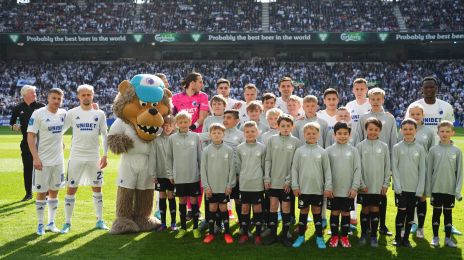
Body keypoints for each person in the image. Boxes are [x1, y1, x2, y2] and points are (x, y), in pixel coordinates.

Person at [407, 76, 460, 236]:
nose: (429, 90)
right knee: (418, 192)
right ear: (422, 89)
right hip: (418, 157)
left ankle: (448, 224)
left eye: (432, 87)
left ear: (437, 88)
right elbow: (407, 127)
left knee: (444, 189)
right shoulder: (414, 106)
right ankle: (416, 223)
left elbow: (449, 128)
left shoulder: (446, 106)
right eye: (426, 87)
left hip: (441, 155)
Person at [60, 84, 109, 233]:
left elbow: (105, 135)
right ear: (78, 96)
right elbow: (60, 130)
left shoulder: (100, 114)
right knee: (71, 189)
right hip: (76, 156)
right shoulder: (72, 113)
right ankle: (67, 223)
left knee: (97, 188)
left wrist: (105, 154)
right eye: (83, 95)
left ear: (92, 95)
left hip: (94, 156)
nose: (86, 97)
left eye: (89, 94)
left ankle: (99, 220)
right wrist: (60, 141)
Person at [353, 87, 397, 236]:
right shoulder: (364, 118)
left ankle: (382, 225)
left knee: (381, 195)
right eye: (373, 99)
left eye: (379, 99)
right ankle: (366, 230)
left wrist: (390, 167)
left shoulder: (390, 118)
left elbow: (393, 142)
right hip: (365, 162)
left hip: (382, 164)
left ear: (383, 100)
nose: (376, 102)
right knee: (365, 197)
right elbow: (358, 137)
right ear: (369, 100)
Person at [27, 88, 67, 235]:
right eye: (54, 98)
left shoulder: (63, 113)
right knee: (41, 193)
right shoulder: (38, 114)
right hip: (42, 161)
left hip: (58, 161)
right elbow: (30, 136)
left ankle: (51, 223)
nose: (56, 101)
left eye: (59, 99)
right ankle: (40, 224)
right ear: (48, 98)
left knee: (54, 192)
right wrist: (35, 157)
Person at [291, 122, 332, 249]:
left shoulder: (323, 152)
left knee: (317, 212)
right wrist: (295, 186)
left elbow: (327, 171)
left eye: (314, 133)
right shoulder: (299, 151)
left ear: (318, 135)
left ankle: (319, 237)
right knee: (303, 212)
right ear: (304, 135)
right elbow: (294, 169)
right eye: (308, 133)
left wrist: (328, 187)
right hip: (303, 189)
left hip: (317, 189)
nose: (311, 135)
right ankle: (301, 236)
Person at [263, 114, 300, 246]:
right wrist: (267, 177)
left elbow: (295, 165)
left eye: (288, 126)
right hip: (273, 181)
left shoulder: (296, 142)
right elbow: (268, 159)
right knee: (273, 206)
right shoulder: (272, 140)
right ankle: (273, 235)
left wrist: (289, 181)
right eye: (282, 126)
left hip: (286, 183)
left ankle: (284, 235)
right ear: (277, 126)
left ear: (292, 127)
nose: (285, 128)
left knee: (285, 207)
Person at [426, 120, 462, 248]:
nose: (445, 134)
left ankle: (447, 239)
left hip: (450, 190)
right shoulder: (433, 150)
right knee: (436, 213)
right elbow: (428, 171)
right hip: (436, 188)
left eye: (447, 131)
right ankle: (435, 237)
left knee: (448, 214)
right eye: (442, 131)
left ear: (452, 133)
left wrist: (457, 191)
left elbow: (460, 173)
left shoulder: (457, 151)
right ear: (438, 133)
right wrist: (428, 190)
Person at [166, 111, 202, 239]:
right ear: (176, 124)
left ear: (190, 122)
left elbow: (200, 156)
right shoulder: (172, 138)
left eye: (185, 122)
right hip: (179, 176)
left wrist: (201, 173)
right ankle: (183, 228)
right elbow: (169, 158)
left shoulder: (196, 137)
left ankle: (196, 228)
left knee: (193, 201)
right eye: (180, 122)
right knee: (181, 201)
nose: (183, 124)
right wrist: (170, 174)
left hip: (193, 175)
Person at [356, 118, 391, 247]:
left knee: (375, 208)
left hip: (378, 186)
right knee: (365, 208)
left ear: (380, 131)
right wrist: (361, 184)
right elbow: (357, 167)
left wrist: (385, 184)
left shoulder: (384, 146)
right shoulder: (360, 146)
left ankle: (374, 236)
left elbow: (388, 167)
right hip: (364, 186)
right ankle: (364, 234)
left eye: (376, 130)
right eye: (370, 129)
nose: (373, 132)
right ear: (366, 130)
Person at [400, 104, 434, 237]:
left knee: (421, 198)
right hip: (407, 170)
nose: (415, 116)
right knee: (407, 200)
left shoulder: (429, 132)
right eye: (412, 114)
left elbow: (431, 151)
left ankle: (420, 227)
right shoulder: (403, 130)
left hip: (423, 171)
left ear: (423, 115)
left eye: (418, 114)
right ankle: (406, 226)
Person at [326, 121, 361, 248]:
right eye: (339, 133)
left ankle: (345, 237)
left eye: (345, 133)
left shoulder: (354, 151)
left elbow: (357, 169)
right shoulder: (328, 150)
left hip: (348, 190)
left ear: (349, 135)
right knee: (334, 212)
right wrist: (328, 187)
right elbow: (326, 170)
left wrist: (354, 187)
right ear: (334, 135)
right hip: (333, 190)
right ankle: (335, 236)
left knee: (346, 213)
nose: (342, 136)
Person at [392, 118, 426, 248]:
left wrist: (420, 188)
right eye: (405, 129)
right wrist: (397, 186)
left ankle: (406, 238)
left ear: (415, 131)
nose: (408, 131)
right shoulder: (396, 147)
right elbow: (394, 168)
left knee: (411, 214)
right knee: (401, 213)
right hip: (401, 189)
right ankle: (397, 237)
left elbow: (422, 170)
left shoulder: (420, 148)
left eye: (411, 129)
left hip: (414, 189)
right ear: (401, 130)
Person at [201, 123, 235, 244]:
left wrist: (229, 185)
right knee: (212, 208)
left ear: (223, 134)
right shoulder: (206, 150)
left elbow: (232, 169)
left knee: (223, 208)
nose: (216, 135)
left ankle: (227, 233)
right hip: (211, 187)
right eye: (214, 133)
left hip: (224, 187)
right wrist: (206, 186)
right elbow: (203, 170)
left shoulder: (229, 150)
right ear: (210, 135)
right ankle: (210, 233)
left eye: (219, 133)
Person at [9, 85, 45, 201]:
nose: (35, 94)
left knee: (44, 168)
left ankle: (46, 192)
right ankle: (28, 194)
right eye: (32, 93)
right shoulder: (17, 108)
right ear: (24, 95)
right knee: (28, 168)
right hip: (26, 143)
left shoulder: (42, 107)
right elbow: (12, 124)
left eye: (35, 92)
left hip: (42, 143)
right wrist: (14, 127)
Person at [236, 121, 266, 245]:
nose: (250, 134)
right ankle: (244, 234)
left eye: (253, 131)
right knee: (244, 208)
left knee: (257, 208)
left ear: (257, 132)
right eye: (247, 131)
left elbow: (264, 165)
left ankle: (257, 235)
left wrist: (264, 179)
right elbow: (238, 166)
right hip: (244, 183)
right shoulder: (239, 148)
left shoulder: (262, 147)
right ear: (243, 133)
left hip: (257, 183)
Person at [153, 115, 177, 231]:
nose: (167, 128)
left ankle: (173, 223)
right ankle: (163, 223)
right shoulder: (156, 140)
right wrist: (153, 174)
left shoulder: (175, 139)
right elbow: (153, 158)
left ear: (174, 127)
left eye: (170, 126)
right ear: (162, 126)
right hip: (160, 174)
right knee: (162, 196)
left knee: (171, 195)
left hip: (172, 175)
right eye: (165, 125)